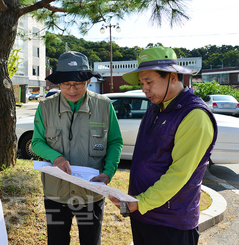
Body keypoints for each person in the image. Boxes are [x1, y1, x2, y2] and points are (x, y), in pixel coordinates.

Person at [110, 46, 218, 245]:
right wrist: (137, 202)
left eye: (149, 81)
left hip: (171, 223)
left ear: (172, 77)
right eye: (142, 82)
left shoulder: (194, 115)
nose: (144, 89)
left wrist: (141, 202)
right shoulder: (155, 108)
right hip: (143, 213)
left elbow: (180, 173)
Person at [31, 51, 123, 245]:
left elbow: (115, 142)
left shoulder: (104, 106)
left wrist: (108, 173)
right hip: (56, 193)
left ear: (88, 81)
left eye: (77, 84)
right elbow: (37, 142)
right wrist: (56, 157)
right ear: (59, 84)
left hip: (91, 194)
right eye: (66, 84)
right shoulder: (45, 107)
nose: (72, 89)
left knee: (91, 241)